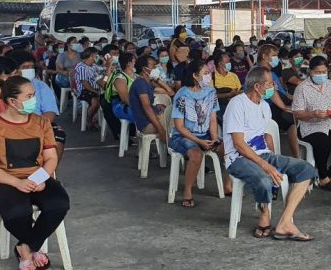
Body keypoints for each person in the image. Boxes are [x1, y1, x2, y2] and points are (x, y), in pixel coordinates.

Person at [0, 76, 70, 270]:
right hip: (1, 180)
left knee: (59, 203)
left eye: (33, 95)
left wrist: (39, 178)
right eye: (29, 96)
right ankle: (32, 248)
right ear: (12, 101)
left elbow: (51, 158)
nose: (34, 100)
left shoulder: (41, 123)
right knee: (18, 211)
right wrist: (17, 182)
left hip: (37, 177)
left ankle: (26, 247)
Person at [223, 67, 317, 240]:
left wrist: (274, 160)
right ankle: (264, 217)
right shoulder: (237, 104)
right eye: (269, 84)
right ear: (257, 86)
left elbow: (265, 136)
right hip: (238, 158)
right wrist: (267, 166)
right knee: (263, 179)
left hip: (262, 153)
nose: (273, 86)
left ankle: (285, 222)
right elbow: (238, 144)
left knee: (306, 169)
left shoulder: (265, 106)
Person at [169, 59, 231, 207]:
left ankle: (228, 185)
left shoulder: (211, 92)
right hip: (183, 136)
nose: (209, 76)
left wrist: (214, 138)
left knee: (229, 148)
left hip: (206, 135)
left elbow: (213, 119)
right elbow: (179, 126)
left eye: (209, 73)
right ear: (195, 76)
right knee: (196, 155)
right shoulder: (182, 95)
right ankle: (187, 191)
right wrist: (199, 141)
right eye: (206, 73)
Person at [292, 56, 331, 190]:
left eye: (324, 72)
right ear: (311, 71)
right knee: (323, 142)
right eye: (318, 72)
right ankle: (323, 177)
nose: (321, 75)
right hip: (310, 126)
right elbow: (297, 113)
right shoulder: (302, 88)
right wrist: (313, 114)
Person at [10, 50, 66, 161]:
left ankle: (49, 171)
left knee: (57, 139)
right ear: (14, 70)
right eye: (25, 67)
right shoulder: (6, 87)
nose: (29, 70)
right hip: (11, 127)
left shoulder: (40, 86)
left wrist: (36, 129)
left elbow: (50, 112)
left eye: (31, 66)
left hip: (38, 124)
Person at [129, 55, 168, 142]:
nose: (156, 69)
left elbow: (170, 92)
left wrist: (157, 80)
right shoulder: (140, 84)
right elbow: (147, 108)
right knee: (180, 124)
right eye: (153, 66)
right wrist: (160, 130)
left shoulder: (147, 83)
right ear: (144, 69)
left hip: (152, 120)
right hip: (147, 124)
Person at [73, 48, 103, 129]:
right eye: (96, 56)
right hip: (84, 90)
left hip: (95, 89)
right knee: (95, 102)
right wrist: (94, 91)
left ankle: (93, 117)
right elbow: (85, 83)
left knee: (103, 99)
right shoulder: (81, 67)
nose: (98, 57)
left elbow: (102, 74)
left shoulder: (94, 66)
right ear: (91, 56)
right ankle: (89, 119)